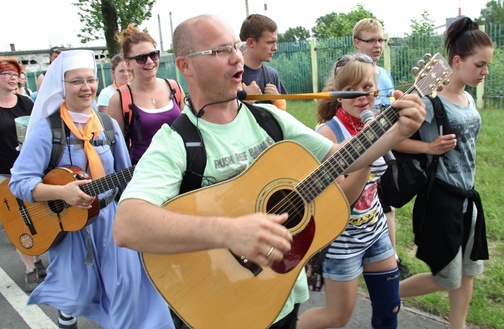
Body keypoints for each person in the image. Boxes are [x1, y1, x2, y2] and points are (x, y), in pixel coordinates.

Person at [112, 14, 425, 329]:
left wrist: (395, 133)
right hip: (216, 307)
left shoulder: (269, 119)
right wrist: (230, 231)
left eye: (235, 46)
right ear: (185, 65)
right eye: (220, 51)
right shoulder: (176, 142)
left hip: (282, 297)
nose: (237, 57)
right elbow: (127, 226)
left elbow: (342, 158)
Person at [8, 49, 174, 329]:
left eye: (90, 80)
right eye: (76, 81)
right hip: (69, 229)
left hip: (110, 220)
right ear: (62, 86)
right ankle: (67, 314)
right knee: (75, 293)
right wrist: (62, 193)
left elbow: (127, 176)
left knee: (128, 289)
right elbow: (19, 183)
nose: (86, 87)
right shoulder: (48, 130)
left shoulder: (107, 124)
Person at [398, 17, 492, 329]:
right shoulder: (428, 98)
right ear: (456, 61)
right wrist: (428, 148)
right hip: (442, 198)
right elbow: (394, 141)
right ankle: (388, 293)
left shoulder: (467, 98)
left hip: (468, 197)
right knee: (445, 277)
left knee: (468, 272)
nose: (484, 72)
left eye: (486, 65)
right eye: (479, 65)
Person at [296, 53, 402, 329]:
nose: (361, 96)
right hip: (342, 241)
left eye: (367, 87)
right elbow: (341, 199)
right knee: (337, 316)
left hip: (375, 229)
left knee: (390, 307)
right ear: (338, 95)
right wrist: (366, 154)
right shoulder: (327, 135)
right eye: (352, 89)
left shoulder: (377, 120)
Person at [352, 18, 413, 279]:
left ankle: (390, 258)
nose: (377, 45)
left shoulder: (384, 74)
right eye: (371, 40)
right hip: (356, 151)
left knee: (388, 206)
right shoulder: (350, 71)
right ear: (357, 43)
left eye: (380, 40)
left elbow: (388, 112)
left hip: (384, 149)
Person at [0, 56, 46, 293]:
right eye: (7, 73)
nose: (13, 77)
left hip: (30, 171)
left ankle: (38, 257)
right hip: (3, 174)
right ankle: (30, 268)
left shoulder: (26, 102)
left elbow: (39, 130)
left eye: (15, 74)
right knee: (18, 220)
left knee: (37, 217)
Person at [108, 24, 185, 164]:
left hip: (183, 168)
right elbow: (117, 149)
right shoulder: (119, 99)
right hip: (144, 175)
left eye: (153, 55)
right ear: (128, 63)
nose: (149, 61)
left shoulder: (174, 87)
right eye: (141, 58)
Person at [239, 14, 288, 110]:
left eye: (275, 42)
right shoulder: (231, 76)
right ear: (251, 43)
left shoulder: (272, 74)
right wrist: (245, 100)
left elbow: (282, 117)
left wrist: (278, 101)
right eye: (269, 42)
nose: (275, 48)